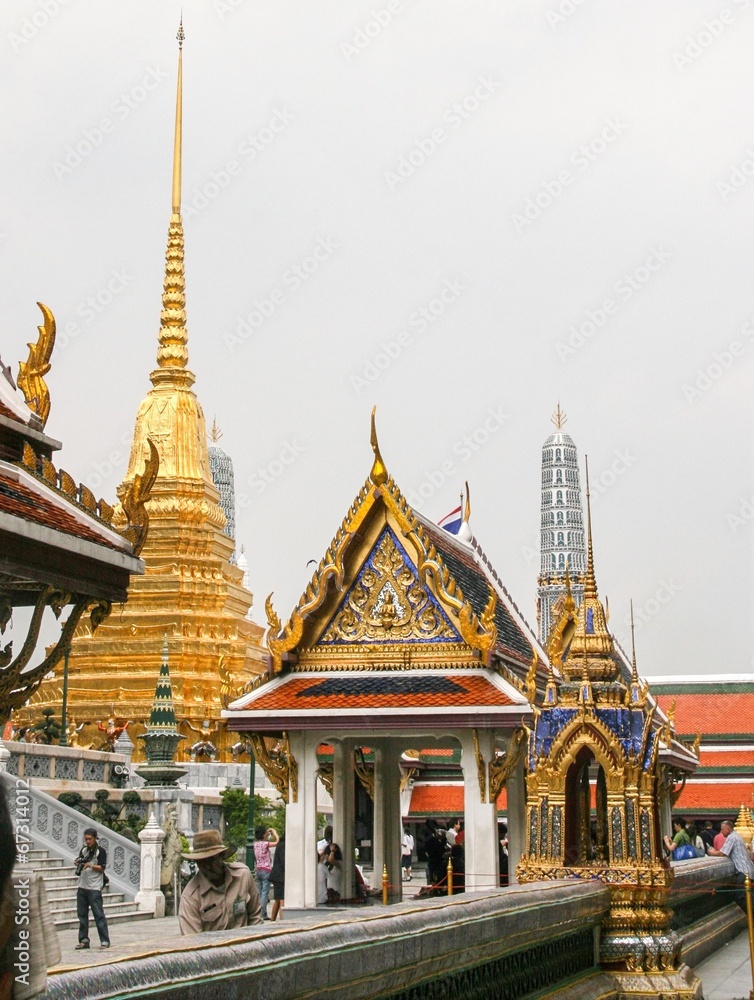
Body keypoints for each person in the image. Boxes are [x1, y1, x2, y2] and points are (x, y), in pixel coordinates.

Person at [179, 829, 263, 934]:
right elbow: (192, 939)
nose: (207, 867)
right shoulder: (190, 897)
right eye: (201, 862)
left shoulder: (243, 876)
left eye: (211, 860)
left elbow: (255, 916)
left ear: (221, 857)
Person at [706, 819, 754, 911]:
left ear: (728, 829)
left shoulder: (732, 837)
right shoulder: (736, 836)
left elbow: (723, 853)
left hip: (744, 871)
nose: (721, 831)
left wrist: (711, 853)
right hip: (748, 869)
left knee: (740, 897)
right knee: (748, 896)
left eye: (722, 829)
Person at [74, 828, 110, 950]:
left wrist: (90, 865)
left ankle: (104, 940)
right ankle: (83, 940)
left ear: (95, 838)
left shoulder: (100, 851)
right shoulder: (84, 850)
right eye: (86, 839)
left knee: (98, 915)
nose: (88, 841)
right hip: (82, 886)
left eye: (90, 839)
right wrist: (78, 863)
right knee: (82, 915)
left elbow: (102, 868)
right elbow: (80, 861)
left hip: (94, 887)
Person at [252, 825, 279, 920]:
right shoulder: (265, 844)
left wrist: (267, 834)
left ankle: (257, 912)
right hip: (266, 870)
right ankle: (263, 913)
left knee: (259, 892)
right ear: (263, 835)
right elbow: (277, 842)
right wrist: (274, 833)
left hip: (258, 869)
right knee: (265, 893)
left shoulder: (255, 844)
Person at [269, 835, 285, 921]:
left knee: (278, 900)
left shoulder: (280, 844)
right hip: (281, 876)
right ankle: (283, 921)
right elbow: (284, 861)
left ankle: (272, 920)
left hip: (276, 876)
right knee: (282, 900)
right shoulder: (283, 845)